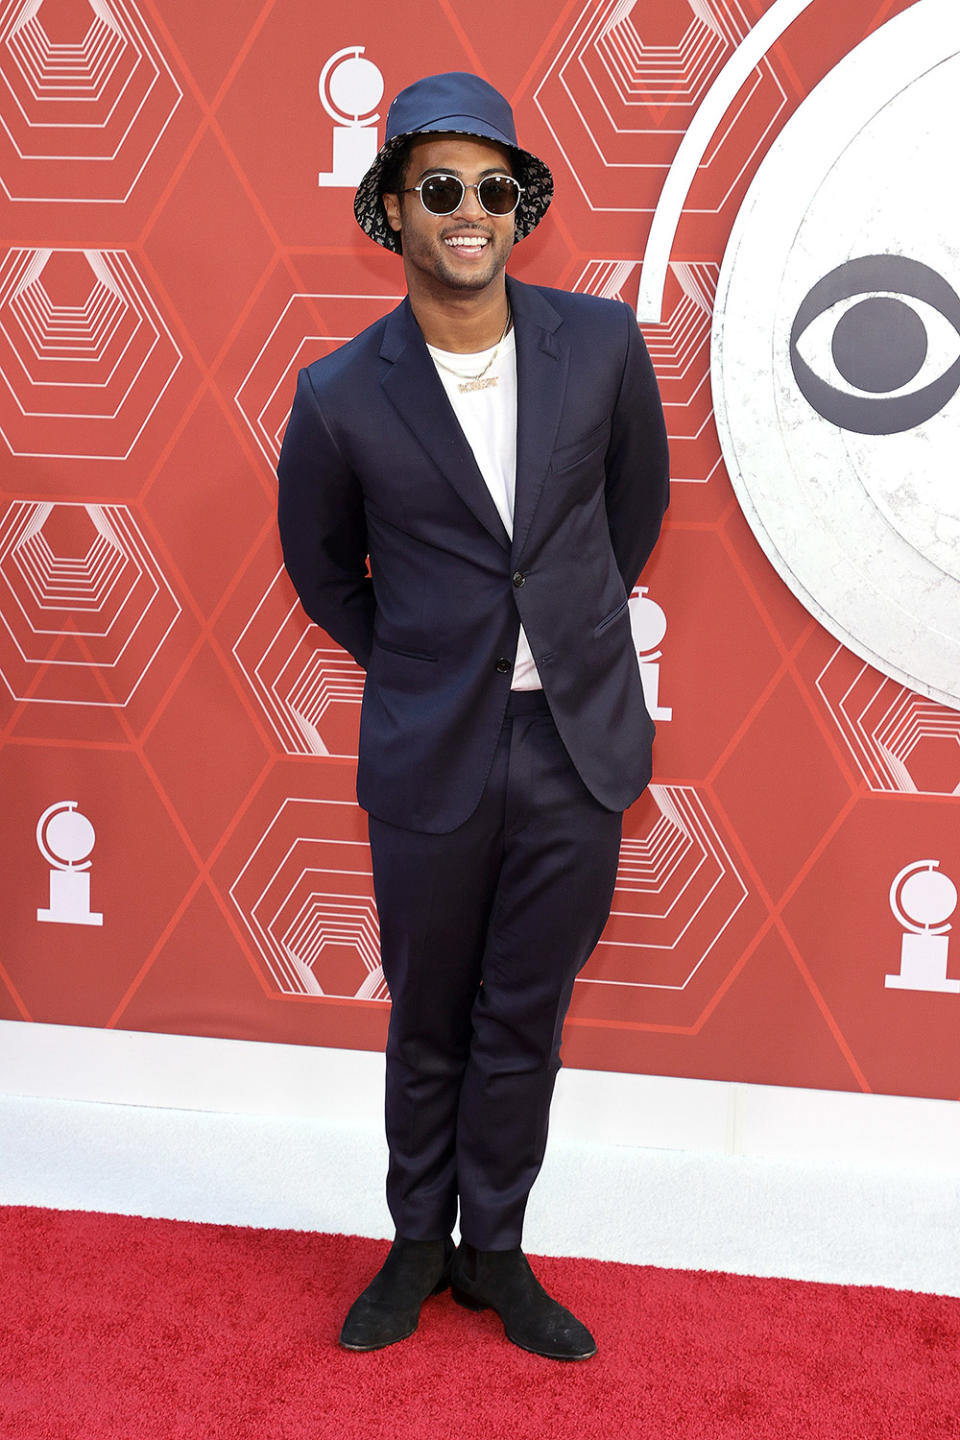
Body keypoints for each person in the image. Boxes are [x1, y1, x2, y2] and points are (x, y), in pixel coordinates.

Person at [277, 71, 669, 1360]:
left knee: (525, 1017)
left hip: (574, 742)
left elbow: (629, 521)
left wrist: (556, 637)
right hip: (431, 747)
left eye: (492, 190)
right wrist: (425, 661)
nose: (469, 212)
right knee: (428, 1013)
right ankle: (414, 1244)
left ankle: (495, 1248)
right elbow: (324, 568)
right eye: (438, 187)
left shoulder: (603, 345)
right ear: (392, 206)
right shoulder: (339, 392)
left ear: (521, 212)